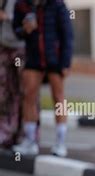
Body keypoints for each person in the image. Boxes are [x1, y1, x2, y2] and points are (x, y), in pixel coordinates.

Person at [12, 0, 73, 157]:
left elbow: (68, 35)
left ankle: (60, 143)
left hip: (55, 58)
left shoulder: (58, 5)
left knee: (58, 98)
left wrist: (66, 63)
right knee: (29, 96)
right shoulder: (22, 5)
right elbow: (16, 30)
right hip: (33, 58)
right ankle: (30, 141)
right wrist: (24, 30)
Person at [0, 0, 25, 149]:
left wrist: (7, 17)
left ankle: (24, 134)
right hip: (3, 46)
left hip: (20, 48)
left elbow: (31, 19)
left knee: (24, 92)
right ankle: (6, 132)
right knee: (4, 92)